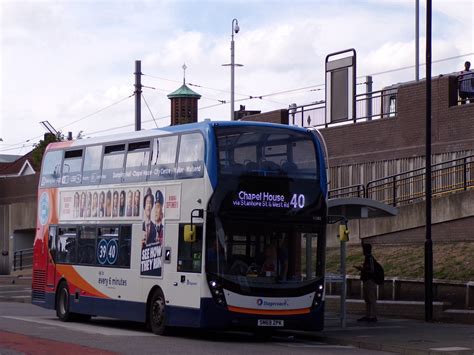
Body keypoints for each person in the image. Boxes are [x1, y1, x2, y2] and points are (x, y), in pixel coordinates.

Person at [354, 243, 378, 322]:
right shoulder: (367, 258)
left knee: (371, 299)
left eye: (363, 249)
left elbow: (372, 270)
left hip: (370, 281)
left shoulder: (370, 258)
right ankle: (368, 315)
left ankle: (373, 316)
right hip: (366, 281)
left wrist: (362, 269)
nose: (363, 251)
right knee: (367, 300)